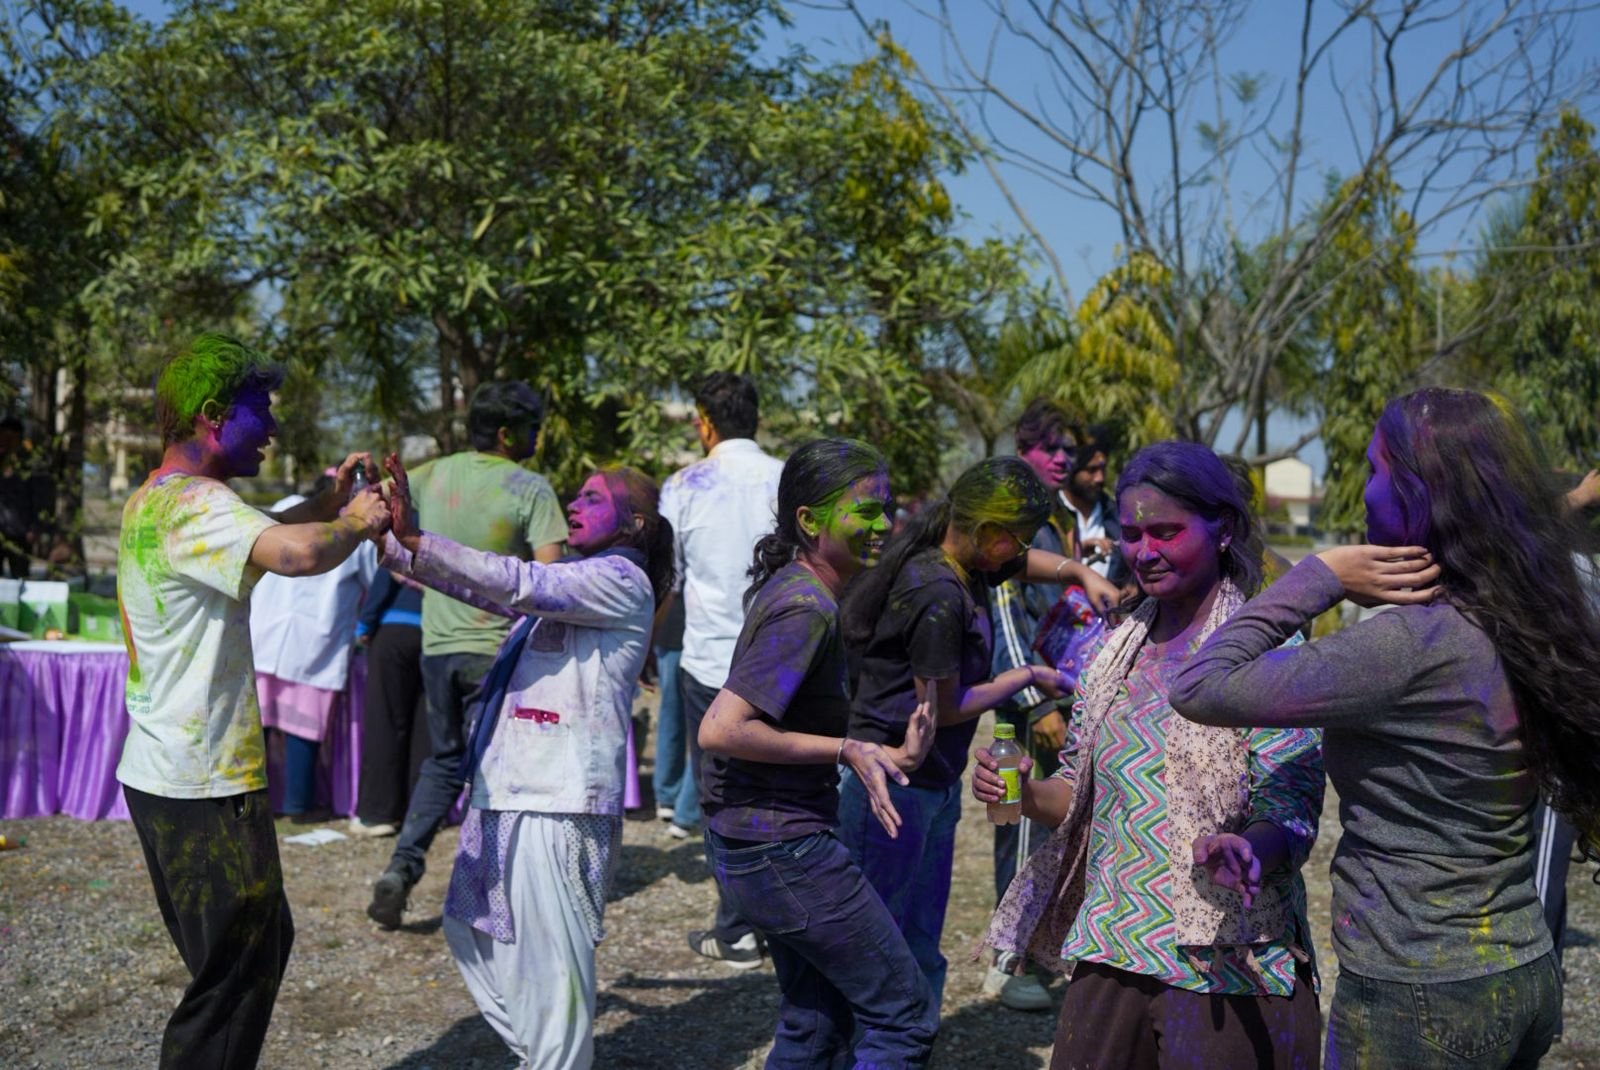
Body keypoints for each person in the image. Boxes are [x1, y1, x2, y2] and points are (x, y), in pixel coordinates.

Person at [1170, 388, 1600, 1068]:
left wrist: (1319, 577)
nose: (1365, 490)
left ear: (1420, 495)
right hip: (1522, 967)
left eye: (1374, 470)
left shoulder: (1405, 646)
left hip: (1420, 992)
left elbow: (1198, 685)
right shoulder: (1527, 613)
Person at [974, 441, 1325, 1068]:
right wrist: (1023, 794)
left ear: (1222, 530)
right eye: (1132, 533)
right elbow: (1079, 798)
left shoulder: (1270, 648)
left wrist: (1251, 849)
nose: (1143, 552)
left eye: (1166, 531)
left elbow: (1291, 804)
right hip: (1113, 949)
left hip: (1225, 961)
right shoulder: (1115, 648)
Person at [115, 333, 390, 1070]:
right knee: (236, 972)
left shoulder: (160, 499)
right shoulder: (199, 505)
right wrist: (360, 521)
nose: (270, 428)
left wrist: (333, 498)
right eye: (258, 411)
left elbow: (275, 528)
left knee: (251, 949)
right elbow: (298, 554)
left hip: (165, 771)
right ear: (212, 418)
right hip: (200, 780)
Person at [377, 454, 672, 1069]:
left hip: (558, 803)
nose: (572, 506)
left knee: (551, 970)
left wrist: (418, 539)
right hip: (510, 792)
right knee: (473, 930)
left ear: (636, 524)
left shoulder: (619, 580)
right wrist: (391, 540)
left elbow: (520, 582)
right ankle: (546, 1057)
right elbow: (476, 587)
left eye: (592, 498)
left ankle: (555, 1059)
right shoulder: (576, 584)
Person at [839, 456, 1121, 1014]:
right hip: (893, 784)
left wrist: (1079, 572)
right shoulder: (937, 592)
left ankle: (908, 1038)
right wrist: (1025, 678)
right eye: (1014, 541)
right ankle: (875, 1043)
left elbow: (1025, 565)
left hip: (931, 782)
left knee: (920, 936)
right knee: (882, 936)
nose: (1018, 553)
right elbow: (945, 705)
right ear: (987, 533)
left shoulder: (967, 563)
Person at [697, 437, 940, 1069]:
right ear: (809, 520)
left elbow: (780, 726)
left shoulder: (796, 590)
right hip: (784, 853)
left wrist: (886, 754)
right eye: (865, 510)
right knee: (905, 1016)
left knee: (816, 1022)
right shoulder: (805, 607)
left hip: (754, 847)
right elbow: (722, 729)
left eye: (887, 509)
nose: (884, 525)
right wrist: (846, 748)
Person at [367, 381, 568, 928]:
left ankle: (402, 869)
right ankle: (493, 892)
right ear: (506, 433)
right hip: (499, 654)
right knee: (503, 772)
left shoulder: (430, 476)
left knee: (444, 761)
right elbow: (553, 583)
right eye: (531, 428)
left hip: (440, 648)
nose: (536, 437)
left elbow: (380, 528)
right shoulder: (531, 488)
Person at [658, 371, 784, 965]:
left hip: (710, 665)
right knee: (784, 792)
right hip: (783, 660)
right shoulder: (787, 478)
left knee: (720, 796)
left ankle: (736, 927)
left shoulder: (682, 485)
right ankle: (784, 919)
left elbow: (670, 578)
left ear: (704, 422)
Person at [986, 400, 1088, 1009]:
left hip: (1050, 698)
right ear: (1025, 448)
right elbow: (1002, 611)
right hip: (1019, 707)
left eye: (1068, 451)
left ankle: (1028, 947)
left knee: (1039, 823)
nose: (1060, 459)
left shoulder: (1053, 516)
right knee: (1015, 822)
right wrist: (1032, 702)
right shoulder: (1012, 515)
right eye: (1050, 448)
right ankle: (1007, 960)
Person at [251, 475, 378, 821]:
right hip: (314, 643)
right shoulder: (352, 535)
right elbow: (374, 579)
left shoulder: (283, 512)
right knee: (302, 726)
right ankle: (296, 805)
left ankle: (254, 803)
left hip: (266, 634)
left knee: (257, 724)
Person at [349, 564, 429, 836]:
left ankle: (377, 814)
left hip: (395, 628)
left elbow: (389, 572)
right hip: (441, 633)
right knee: (426, 726)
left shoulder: (414, 523)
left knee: (385, 721)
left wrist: (365, 623)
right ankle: (420, 813)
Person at [649, 593, 698, 829]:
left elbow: (668, 588)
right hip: (702, 640)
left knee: (671, 718)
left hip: (674, 634)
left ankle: (669, 798)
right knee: (701, 729)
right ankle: (686, 810)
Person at [0, 416, 51, 579]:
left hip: (20, 531)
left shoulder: (30, 463)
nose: (6, 441)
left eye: (11, 437)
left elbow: (40, 497)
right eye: (3, 436)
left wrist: (35, 527)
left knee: (20, 576)